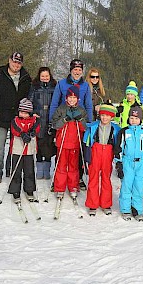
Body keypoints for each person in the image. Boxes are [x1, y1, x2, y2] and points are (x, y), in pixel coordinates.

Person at [0, 52, 32, 184]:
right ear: (9, 60)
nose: (16, 65)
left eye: (18, 63)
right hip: (2, 117)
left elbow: (28, 97)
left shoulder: (26, 77)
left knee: (15, 146)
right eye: (14, 62)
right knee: (0, 146)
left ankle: (11, 169)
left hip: (18, 118)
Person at [49, 59, 93, 190]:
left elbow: (89, 105)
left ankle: (77, 178)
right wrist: (52, 122)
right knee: (61, 152)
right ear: (71, 70)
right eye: (75, 69)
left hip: (79, 119)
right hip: (64, 120)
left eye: (79, 70)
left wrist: (88, 124)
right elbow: (55, 103)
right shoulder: (62, 84)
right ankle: (58, 180)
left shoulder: (85, 85)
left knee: (77, 151)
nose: (77, 72)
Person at [114, 106, 143, 221]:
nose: (134, 120)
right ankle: (125, 209)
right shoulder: (124, 132)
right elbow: (119, 149)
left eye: (136, 118)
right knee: (126, 186)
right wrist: (119, 164)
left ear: (140, 119)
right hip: (128, 162)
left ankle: (137, 209)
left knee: (138, 187)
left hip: (140, 163)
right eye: (131, 118)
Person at [51, 85, 87, 199]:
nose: (72, 100)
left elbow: (85, 127)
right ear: (66, 98)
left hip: (75, 143)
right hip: (63, 142)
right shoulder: (61, 109)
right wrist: (64, 120)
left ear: (78, 99)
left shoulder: (81, 110)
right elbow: (55, 125)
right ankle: (60, 187)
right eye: (70, 97)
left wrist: (80, 120)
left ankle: (73, 186)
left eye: (74, 97)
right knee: (61, 166)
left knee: (73, 166)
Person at [83, 103, 120, 216]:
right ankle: (92, 204)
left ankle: (105, 203)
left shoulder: (115, 129)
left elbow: (118, 143)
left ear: (112, 117)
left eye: (107, 116)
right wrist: (87, 156)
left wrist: (117, 155)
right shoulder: (93, 126)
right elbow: (86, 141)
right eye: (103, 115)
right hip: (96, 151)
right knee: (93, 178)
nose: (105, 118)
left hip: (108, 152)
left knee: (106, 178)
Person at [8, 98, 40, 203]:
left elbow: (36, 128)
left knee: (29, 170)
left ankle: (29, 189)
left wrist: (31, 133)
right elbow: (15, 129)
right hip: (17, 149)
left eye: (26, 113)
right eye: (22, 112)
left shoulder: (34, 120)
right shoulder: (15, 120)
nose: (23, 115)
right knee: (16, 170)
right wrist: (22, 134)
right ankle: (15, 190)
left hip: (29, 150)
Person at [28, 67, 57, 180]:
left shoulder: (54, 87)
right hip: (39, 118)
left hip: (50, 118)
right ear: (39, 76)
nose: (45, 78)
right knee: (39, 144)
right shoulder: (34, 87)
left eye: (47, 76)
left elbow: (58, 101)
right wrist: (33, 113)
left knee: (49, 144)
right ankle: (39, 169)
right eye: (42, 76)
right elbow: (29, 102)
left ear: (50, 76)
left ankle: (47, 169)